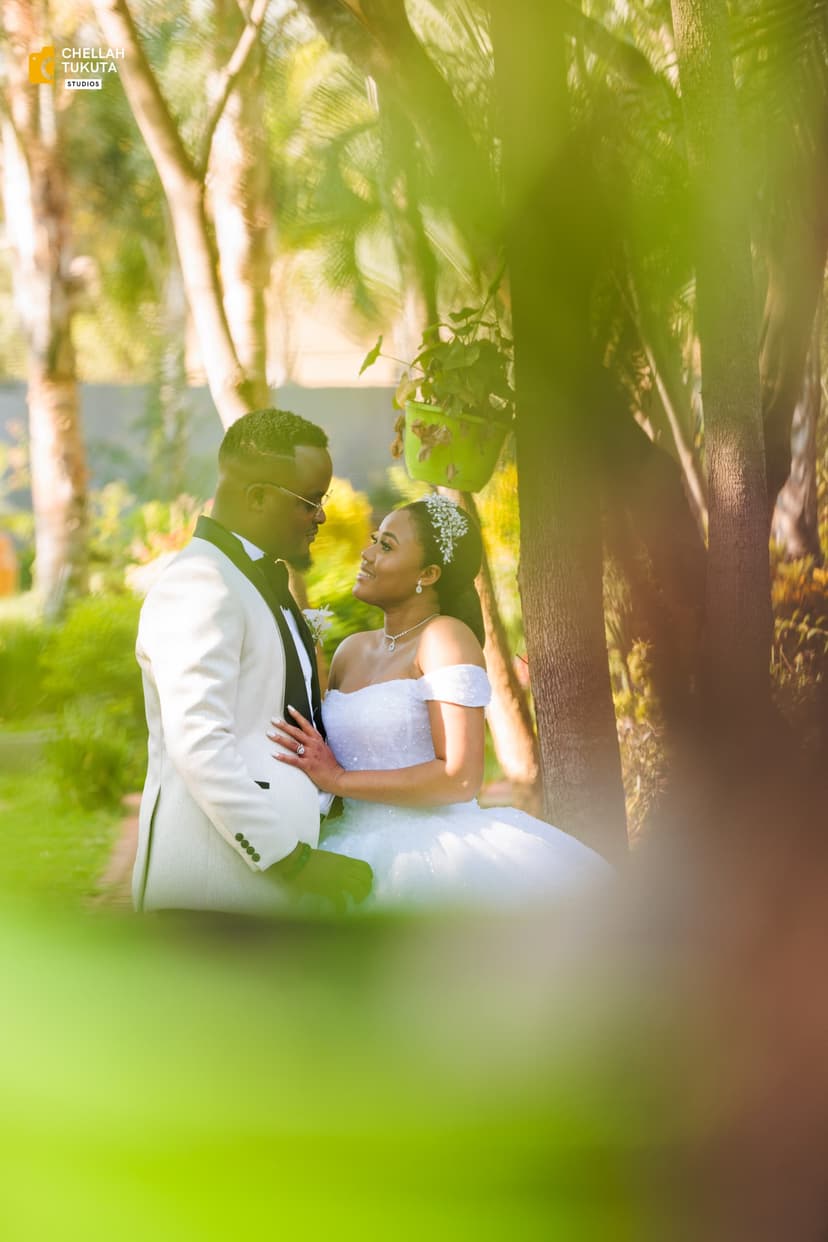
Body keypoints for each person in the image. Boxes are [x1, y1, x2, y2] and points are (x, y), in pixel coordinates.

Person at [269, 493, 610, 910]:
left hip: (434, 854)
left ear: (428, 574)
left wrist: (338, 779)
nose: (367, 553)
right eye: (375, 539)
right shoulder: (350, 651)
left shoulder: (445, 638)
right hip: (345, 845)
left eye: (387, 546)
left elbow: (459, 777)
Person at [133, 408, 372, 915]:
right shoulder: (200, 583)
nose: (322, 516)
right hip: (212, 885)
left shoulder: (252, 580)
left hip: (261, 889)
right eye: (310, 501)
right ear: (258, 496)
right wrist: (291, 860)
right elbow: (197, 743)